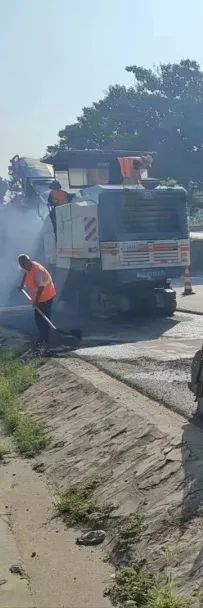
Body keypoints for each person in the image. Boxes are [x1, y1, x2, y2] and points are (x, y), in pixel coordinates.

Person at [18, 255, 56, 345]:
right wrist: (22, 285)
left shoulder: (37, 271)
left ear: (28, 261)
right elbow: (26, 273)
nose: (23, 266)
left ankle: (46, 339)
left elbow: (41, 287)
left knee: (43, 319)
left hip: (46, 296)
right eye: (21, 265)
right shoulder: (28, 267)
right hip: (40, 297)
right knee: (39, 318)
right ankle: (43, 336)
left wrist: (36, 301)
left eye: (24, 264)